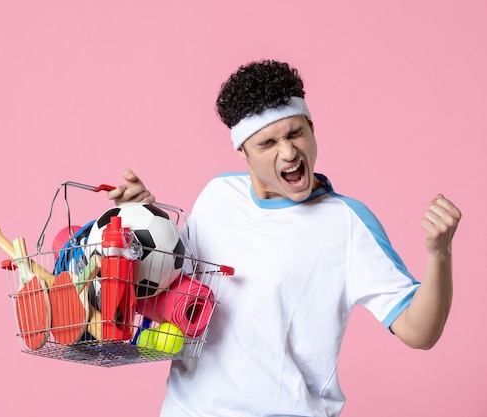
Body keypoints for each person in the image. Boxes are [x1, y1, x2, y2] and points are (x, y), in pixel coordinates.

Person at [106, 60, 462, 416]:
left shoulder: (347, 224)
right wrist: (143, 220)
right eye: (268, 143)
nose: (289, 152)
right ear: (243, 151)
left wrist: (440, 254)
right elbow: (170, 288)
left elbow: (420, 332)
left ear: (311, 126)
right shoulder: (218, 195)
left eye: (295, 133)